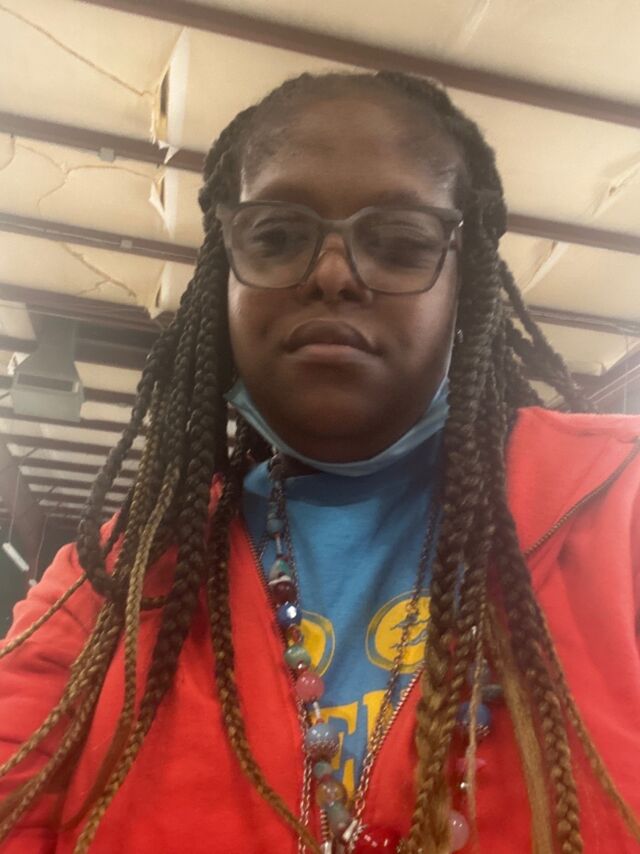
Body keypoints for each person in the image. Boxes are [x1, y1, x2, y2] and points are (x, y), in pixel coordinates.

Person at [0, 70, 638, 854]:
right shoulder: (110, 586)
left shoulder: (621, 504)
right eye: (277, 236)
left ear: (463, 283)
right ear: (224, 274)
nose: (333, 273)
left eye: (400, 244)